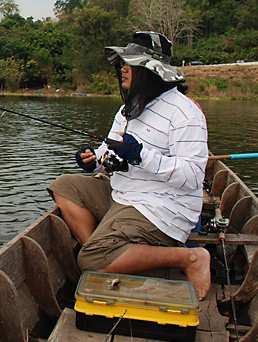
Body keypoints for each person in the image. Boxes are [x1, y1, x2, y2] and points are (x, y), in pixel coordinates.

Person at [47, 31, 211, 300]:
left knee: (88, 261)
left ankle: (188, 258)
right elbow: (107, 153)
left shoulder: (185, 113)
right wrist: (92, 160)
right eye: (123, 62)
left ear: (151, 71)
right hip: (123, 196)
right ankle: (109, 253)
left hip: (163, 208)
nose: (123, 68)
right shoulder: (128, 110)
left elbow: (193, 176)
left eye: (131, 64)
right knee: (64, 186)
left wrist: (142, 155)